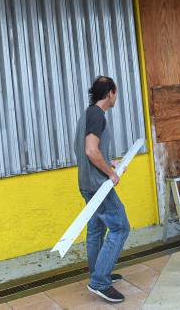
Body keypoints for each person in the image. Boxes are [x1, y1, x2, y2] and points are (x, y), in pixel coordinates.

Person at [74, 76, 130, 303]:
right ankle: (99, 281)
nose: (116, 97)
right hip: (98, 185)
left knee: (96, 230)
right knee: (120, 227)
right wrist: (110, 173)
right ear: (110, 93)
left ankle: (98, 272)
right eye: (115, 93)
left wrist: (108, 162)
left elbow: (88, 150)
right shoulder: (98, 115)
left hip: (86, 182)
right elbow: (90, 150)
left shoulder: (88, 114)